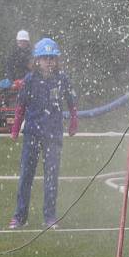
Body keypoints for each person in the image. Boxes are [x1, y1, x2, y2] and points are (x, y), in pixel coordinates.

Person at [9, 38, 78, 229]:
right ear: (37, 60)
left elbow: (72, 102)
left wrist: (74, 120)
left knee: (51, 176)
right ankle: (19, 217)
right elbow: (21, 105)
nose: (49, 61)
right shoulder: (30, 80)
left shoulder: (62, 78)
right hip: (32, 133)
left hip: (53, 134)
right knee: (26, 176)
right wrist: (16, 128)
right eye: (45, 58)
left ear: (57, 60)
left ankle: (50, 217)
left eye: (52, 58)